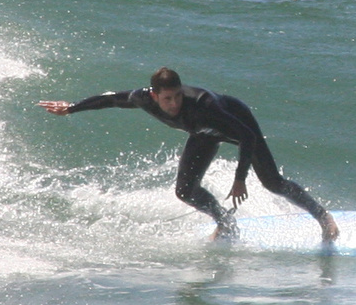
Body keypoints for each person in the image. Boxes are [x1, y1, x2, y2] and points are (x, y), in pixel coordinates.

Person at [39, 67, 339, 242]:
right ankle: (225, 223)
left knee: (272, 182)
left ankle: (323, 217)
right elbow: (112, 99)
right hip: (203, 134)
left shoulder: (204, 104)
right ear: (155, 95)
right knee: (184, 190)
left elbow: (246, 136)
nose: (174, 104)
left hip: (237, 125)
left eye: (178, 96)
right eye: (167, 99)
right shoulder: (143, 99)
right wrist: (73, 108)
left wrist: (240, 178)